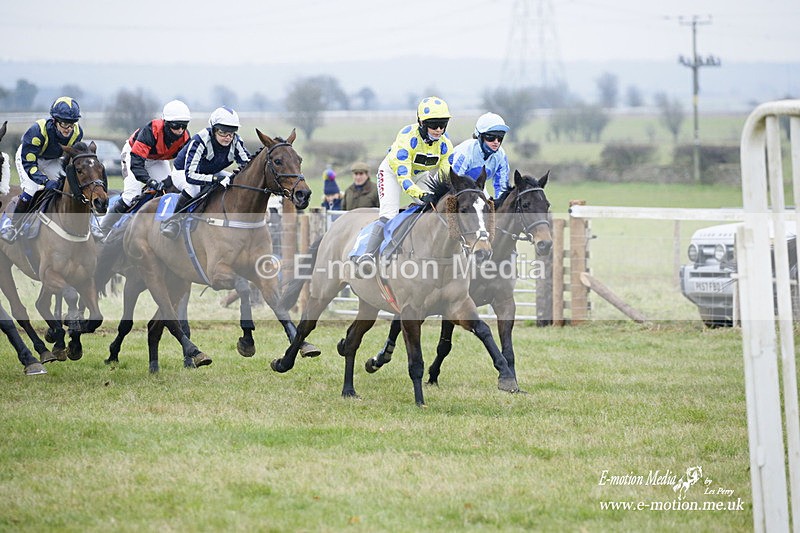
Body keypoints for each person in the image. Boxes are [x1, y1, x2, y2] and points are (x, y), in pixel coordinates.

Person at [352, 96, 454, 266]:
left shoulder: (445, 145)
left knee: (435, 210)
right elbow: (404, 179)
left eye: (442, 125)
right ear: (421, 123)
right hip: (393, 173)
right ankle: (368, 255)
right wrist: (421, 194)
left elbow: (444, 176)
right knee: (388, 215)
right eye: (433, 124)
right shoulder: (407, 139)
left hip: (420, 174)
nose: (438, 130)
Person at [97, 99, 191, 237]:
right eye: (176, 126)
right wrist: (149, 181)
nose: (180, 131)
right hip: (134, 155)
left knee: (169, 190)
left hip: (157, 159)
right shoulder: (151, 130)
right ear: (166, 123)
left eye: (184, 126)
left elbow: (186, 164)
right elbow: (136, 164)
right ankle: (103, 228)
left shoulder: (185, 137)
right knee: (131, 195)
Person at [1, 96, 83, 243]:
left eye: (72, 124)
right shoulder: (37, 131)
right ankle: (12, 226)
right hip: (29, 158)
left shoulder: (77, 133)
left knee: (63, 185)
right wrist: (44, 181)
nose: (68, 129)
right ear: (55, 120)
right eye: (64, 123)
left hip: (51, 160)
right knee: (32, 188)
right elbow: (30, 165)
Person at [160, 106, 250, 238]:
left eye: (231, 132)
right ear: (213, 129)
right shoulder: (200, 140)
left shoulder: (236, 141)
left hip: (211, 172)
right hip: (183, 172)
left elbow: (248, 166)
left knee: (235, 181)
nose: (228, 137)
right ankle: (173, 221)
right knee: (193, 189)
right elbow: (190, 176)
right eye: (223, 132)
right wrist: (215, 180)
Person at [451, 112, 511, 199]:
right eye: (491, 137)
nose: (496, 141)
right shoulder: (465, 152)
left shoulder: (501, 155)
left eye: (500, 137)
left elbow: (502, 188)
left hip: (477, 186)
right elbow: (453, 184)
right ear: (480, 136)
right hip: (448, 184)